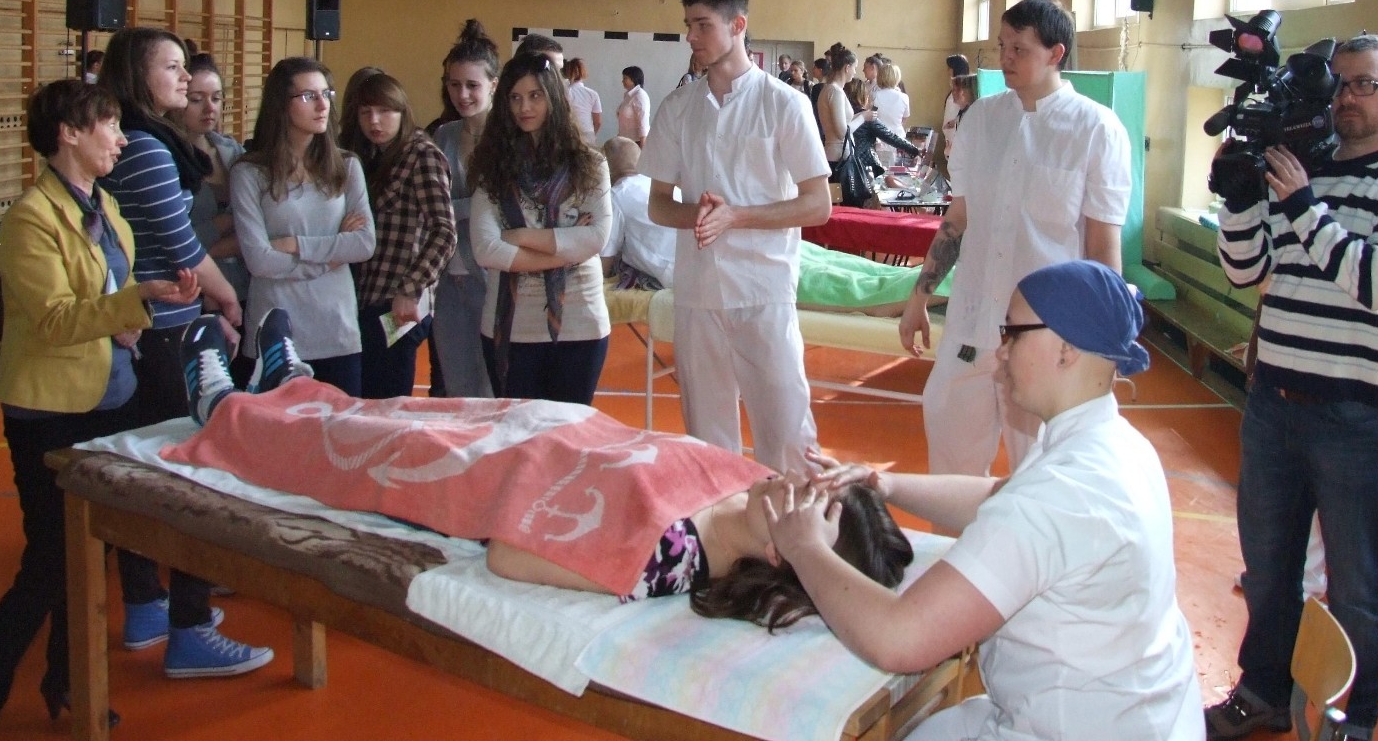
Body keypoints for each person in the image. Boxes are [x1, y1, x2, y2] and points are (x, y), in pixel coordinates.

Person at [177, 312, 912, 620]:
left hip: (481, 473)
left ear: (789, 556)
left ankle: (226, 412)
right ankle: (291, 389)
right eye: (816, 481)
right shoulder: (745, 486)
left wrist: (539, 475)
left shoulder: (667, 559)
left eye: (811, 501)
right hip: (524, 428)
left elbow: (512, 557)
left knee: (354, 449)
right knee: (389, 409)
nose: (796, 480)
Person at [767, 261, 1204, 741]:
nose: (1001, 352)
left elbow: (900, 639)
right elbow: (1002, 497)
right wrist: (885, 484)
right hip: (1140, 715)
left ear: (1066, 349)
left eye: (1013, 333)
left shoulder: (1061, 494)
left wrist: (804, 547)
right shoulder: (1113, 443)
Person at [1206, 34, 1378, 741]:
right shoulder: (1301, 169)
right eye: (1340, 83)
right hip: (1274, 404)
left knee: (1357, 585)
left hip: (1355, 416)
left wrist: (1302, 205)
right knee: (1268, 570)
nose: (1347, 96)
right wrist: (1240, 199)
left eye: (1365, 84)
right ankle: (1262, 691)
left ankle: (1353, 719)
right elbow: (1246, 270)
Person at [0, 82, 203, 733]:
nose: (122, 138)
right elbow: (53, 319)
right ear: (69, 134)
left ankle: (67, 679)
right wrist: (137, 302)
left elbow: (105, 291)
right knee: (49, 564)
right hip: (50, 413)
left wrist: (130, 317)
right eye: (108, 126)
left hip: (109, 399)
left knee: (89, 556)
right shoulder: (30, 219)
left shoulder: (102, 204)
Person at [901, 0, 1131, 476]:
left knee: (1042, 473)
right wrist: (919, 297)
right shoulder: (981, 120)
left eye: (1019, 49)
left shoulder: (1095, 129)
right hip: (971, 322)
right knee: (951, 463)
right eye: (1002, 46)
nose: (1005, 58)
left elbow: (1102, 252)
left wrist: (1102, 347)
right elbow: (957, 220)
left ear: (1056, 53)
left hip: (1046, 338)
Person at [98, 27, 264, 675]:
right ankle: (188, 626)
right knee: (193, 470)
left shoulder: (149, 141)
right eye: (171, 67)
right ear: (137, 76)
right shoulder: (144, 147)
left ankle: (146, 605)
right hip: (164, 328)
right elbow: (180, 246)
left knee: (148, 468)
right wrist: (226, 301)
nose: (185, 78)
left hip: (155, 323)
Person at [638, 0, 832, 473]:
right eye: (688, 24)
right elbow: (658, 204)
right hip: (698, 292)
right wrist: (702, 215)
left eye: (702, 25)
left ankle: (795, 521)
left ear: (738, 25)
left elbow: (818, 205)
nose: (691, 36)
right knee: (707, 440)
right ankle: (725, 521)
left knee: (788, 435)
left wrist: (737, 215)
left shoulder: (784, 103)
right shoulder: (678, 107)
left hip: (764, 289)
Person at [469, 51, 612, 404]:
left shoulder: (589, 164)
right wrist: (567, 250)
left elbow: (596, 237)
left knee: (568, 430)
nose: (525, 107)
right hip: (511, 327)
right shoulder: (492, 166)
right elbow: (486, 249)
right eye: (515, 98)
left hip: (580, 322)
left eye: (535, 95)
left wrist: (519, 237)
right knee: (516, 430)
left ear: (554, 98)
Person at [231, 57, 376, 395]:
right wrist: (331, 257)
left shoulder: (347, 166)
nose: (323, 105)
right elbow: (259, 260)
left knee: (340, 423)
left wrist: (296, 244)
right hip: (275, 331)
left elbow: (363, 244)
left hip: (337, 328)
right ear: (281, 104)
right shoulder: (249, 172)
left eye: (327, 94)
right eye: (309, 96)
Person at [347, 72, 457, 400]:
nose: (374, 121)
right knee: (369, 396)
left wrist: (411, 288)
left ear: (401, 111)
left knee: (387, 400)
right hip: (370, 295)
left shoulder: (421, 154)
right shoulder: (374, 155)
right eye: (366, 112)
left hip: (398, 302)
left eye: (384, 111)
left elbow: (444, 231)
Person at [431, 20, 500, 397]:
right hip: (447, 281)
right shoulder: (444, 135)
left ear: (493, 85)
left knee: (494, 386)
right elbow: (432, 206)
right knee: (457, 388)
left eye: (472, 85)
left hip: (494, 279)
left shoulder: (509, 140)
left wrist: (451, 208)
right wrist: (468, 206)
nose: (462, 94)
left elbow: (500, 206)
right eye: (454, 84)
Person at [170, 54, 250, 310]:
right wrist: (229, 221)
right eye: (196, 99)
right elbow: (177, 239)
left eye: (216, 98)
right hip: (193, 294)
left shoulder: (233, 152)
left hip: (246, 287)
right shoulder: (165, 159)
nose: (209, 108)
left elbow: (263, 223)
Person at [599, 137, 677, 291]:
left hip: (669, 276)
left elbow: (605, 257)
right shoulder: (661, 187)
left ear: (605, 172)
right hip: (694, 269)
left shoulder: (615, 197)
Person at [837, 78, 922, 210]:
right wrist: (915, 150)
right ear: (862, 95)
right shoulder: (867, 117)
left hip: (844, 164)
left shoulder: (841, 117)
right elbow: (890, 136)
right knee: (871, 205)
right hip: (867, 167)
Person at [816, 44, 856, 165]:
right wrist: (863, 118)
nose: (855, 72)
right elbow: (842, 133)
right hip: (838, 157)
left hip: (837, 154)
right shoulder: (835, 91)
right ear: (847, 68)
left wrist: (861, 115)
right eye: (854, 68)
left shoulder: (832, 89)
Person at [563, 57, 604, 145]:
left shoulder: (564, 93)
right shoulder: (593, 94)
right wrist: (592, 134)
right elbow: (598, 122)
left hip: (569, 132)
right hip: (588, 132)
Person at [939, 53, 970, 156]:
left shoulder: (963, 91)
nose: (947, 71)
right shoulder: (957, 90)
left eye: (949, 68)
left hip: (956, 144)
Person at [872, 61, 910, 140]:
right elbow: (905, 117)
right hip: (898, 137)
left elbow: (872, 115)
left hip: (878, 136)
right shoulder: (904, 97)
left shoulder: (874, 95)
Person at [617, 66, 650, 145]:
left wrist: (643, 146)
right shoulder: (628, 96)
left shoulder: (640, 95)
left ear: (634, 79)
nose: (622, 81)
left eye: (625, 78)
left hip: (636, 142)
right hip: (625, 141)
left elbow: (643, 121)